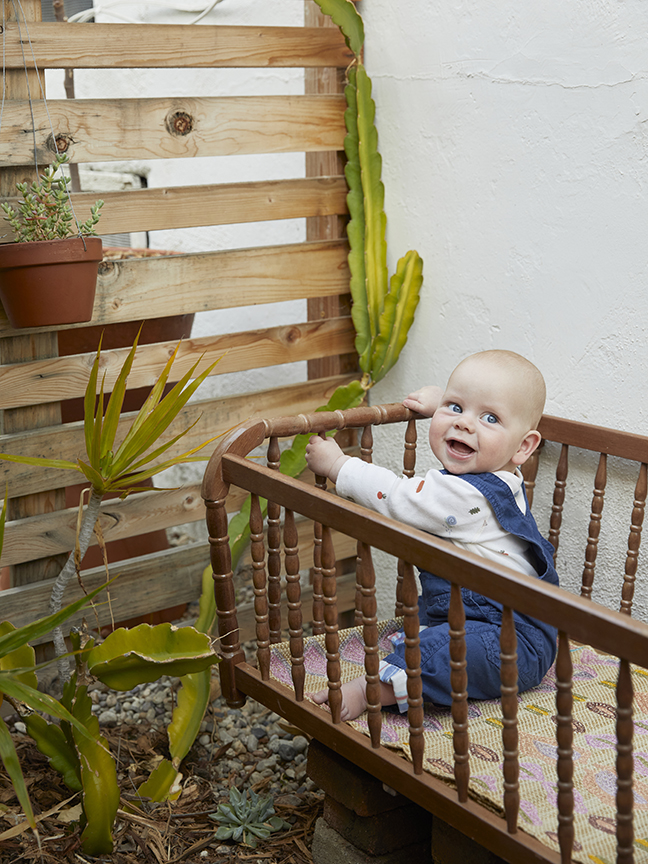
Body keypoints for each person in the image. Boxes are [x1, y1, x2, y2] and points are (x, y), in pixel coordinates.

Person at [304, 349, 558, 721]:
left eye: (489, 418)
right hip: (486, 619)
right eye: (456, 408)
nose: (465, 425)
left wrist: (338, 465)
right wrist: (443, 403)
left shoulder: (467, 495)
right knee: (435, 636)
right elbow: (469, 423)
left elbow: (397, 496)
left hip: (511, 641)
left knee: (443, 652)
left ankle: (371, 690)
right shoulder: (499, 477)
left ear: (523, 447)